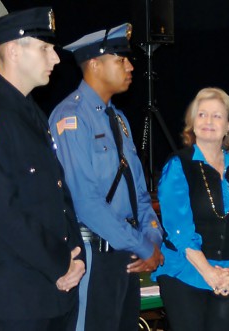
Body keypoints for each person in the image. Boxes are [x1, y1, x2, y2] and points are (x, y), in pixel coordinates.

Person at [0, 7, 86, 331]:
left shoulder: (32, 114)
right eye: (45, 48)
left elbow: (59, 194)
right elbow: (2, 211)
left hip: (55, 293)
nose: (55, 58)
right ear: (14, 51)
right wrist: (61, 262)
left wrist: (77, 255)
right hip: (16, 299)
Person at [48, 23, 164, 331]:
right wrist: (142, 246)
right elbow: (86, 202)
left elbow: (139, 191)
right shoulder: (69, 118)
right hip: (93, 255)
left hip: (126, 254)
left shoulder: (120, 120)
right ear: (95, 65)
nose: (130, 66)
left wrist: (152, 237)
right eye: (120, 59)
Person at [152, 87, 229, 331]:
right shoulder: (178, 165)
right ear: (192, 122)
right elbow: (178, 229)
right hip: (185, 271)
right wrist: (209, 273)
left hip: (225, 274)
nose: (208, 121)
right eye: (202, 115)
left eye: (217, 116)